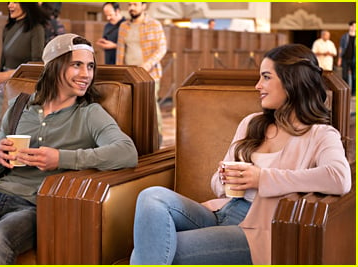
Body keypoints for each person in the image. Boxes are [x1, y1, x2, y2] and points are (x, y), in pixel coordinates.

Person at [130, 44, 351, 265]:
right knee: (151, 197)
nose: (258, 86)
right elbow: (218, 185)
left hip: (260, 228)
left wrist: (261, 177)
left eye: (266, 77)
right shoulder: (251, 123)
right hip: (224, 209)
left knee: (153, 248)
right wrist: (225, 178)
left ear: (292, 82)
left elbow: (339, 178)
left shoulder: (320, 134)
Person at [0, 33, 138, 265]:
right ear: (55, 66)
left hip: (36, 207)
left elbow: (127, 152)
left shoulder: (90, 113)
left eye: (90, 67)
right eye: (77, 65)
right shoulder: (19, 106)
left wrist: (61, 159)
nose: (86, 74)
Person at [0, 2, 49, 142]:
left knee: (15, 136)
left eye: (15, 2)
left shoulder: (36, 29)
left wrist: (8, 75)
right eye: (9, 2)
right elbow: (2, 64)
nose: (10, 5)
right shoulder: (8, 28)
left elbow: (38, 65)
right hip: (3, 89)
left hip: (22, 90)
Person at [116, 2, 167, 141]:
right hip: (129, 74)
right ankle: (134, 138)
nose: (131, 7)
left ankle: (158, 135)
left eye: (135, 4)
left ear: (144, 6)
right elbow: (120, 52)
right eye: (129, 4)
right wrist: (118, 73)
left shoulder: (154, 25)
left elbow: (162, 48)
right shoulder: (123, 26)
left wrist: (147, 65)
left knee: (151, 105)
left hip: (149, 73)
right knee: (129, 106)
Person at [338, 20, 356, 96]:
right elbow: (341, 48)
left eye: (355, 26)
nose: (354, 27)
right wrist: (339, 59)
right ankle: (346, 91)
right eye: (353, 26)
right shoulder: (344, 36)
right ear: (350, 26)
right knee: (345, 76)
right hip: (345, 58)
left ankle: (353, 92)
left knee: (354, 76)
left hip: (354, 59)